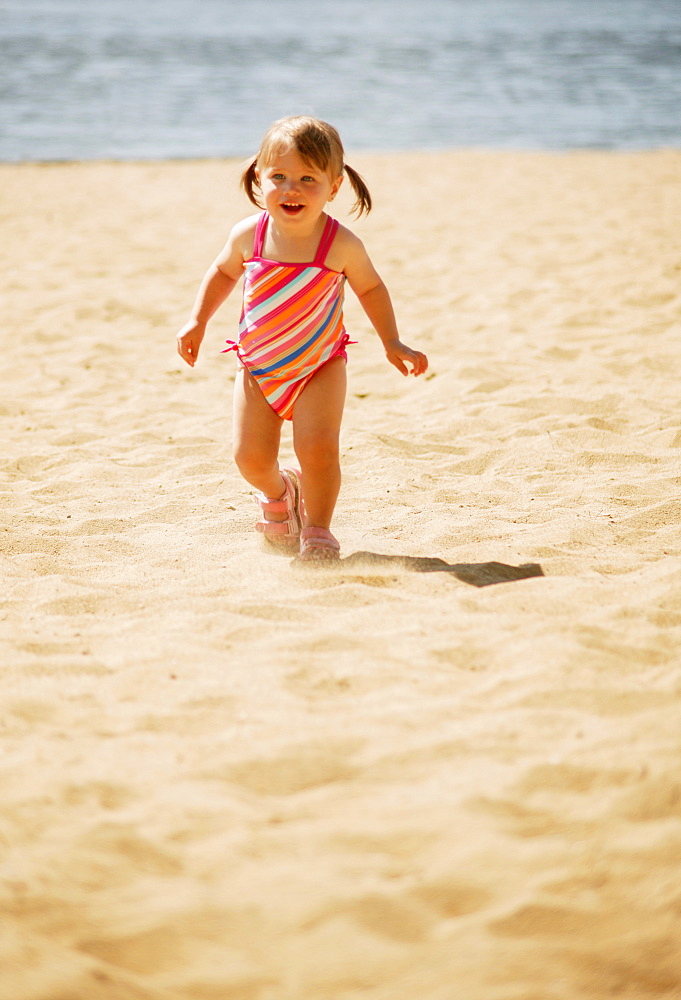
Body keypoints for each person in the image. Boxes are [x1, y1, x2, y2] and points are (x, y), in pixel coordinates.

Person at [176, 116, 428, 562]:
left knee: (317, 449)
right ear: (259, 177)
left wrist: (393, 342)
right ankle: (281, 493)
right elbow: (221, 273)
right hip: (258, 365)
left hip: (319, 366)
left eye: (308, 179)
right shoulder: (247, 235)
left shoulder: (339, 244)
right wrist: (197, 321)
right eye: (280, 177)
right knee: (249, 458)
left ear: (334, 187)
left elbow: (370, 287)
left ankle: (317, 529)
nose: (291, 189)